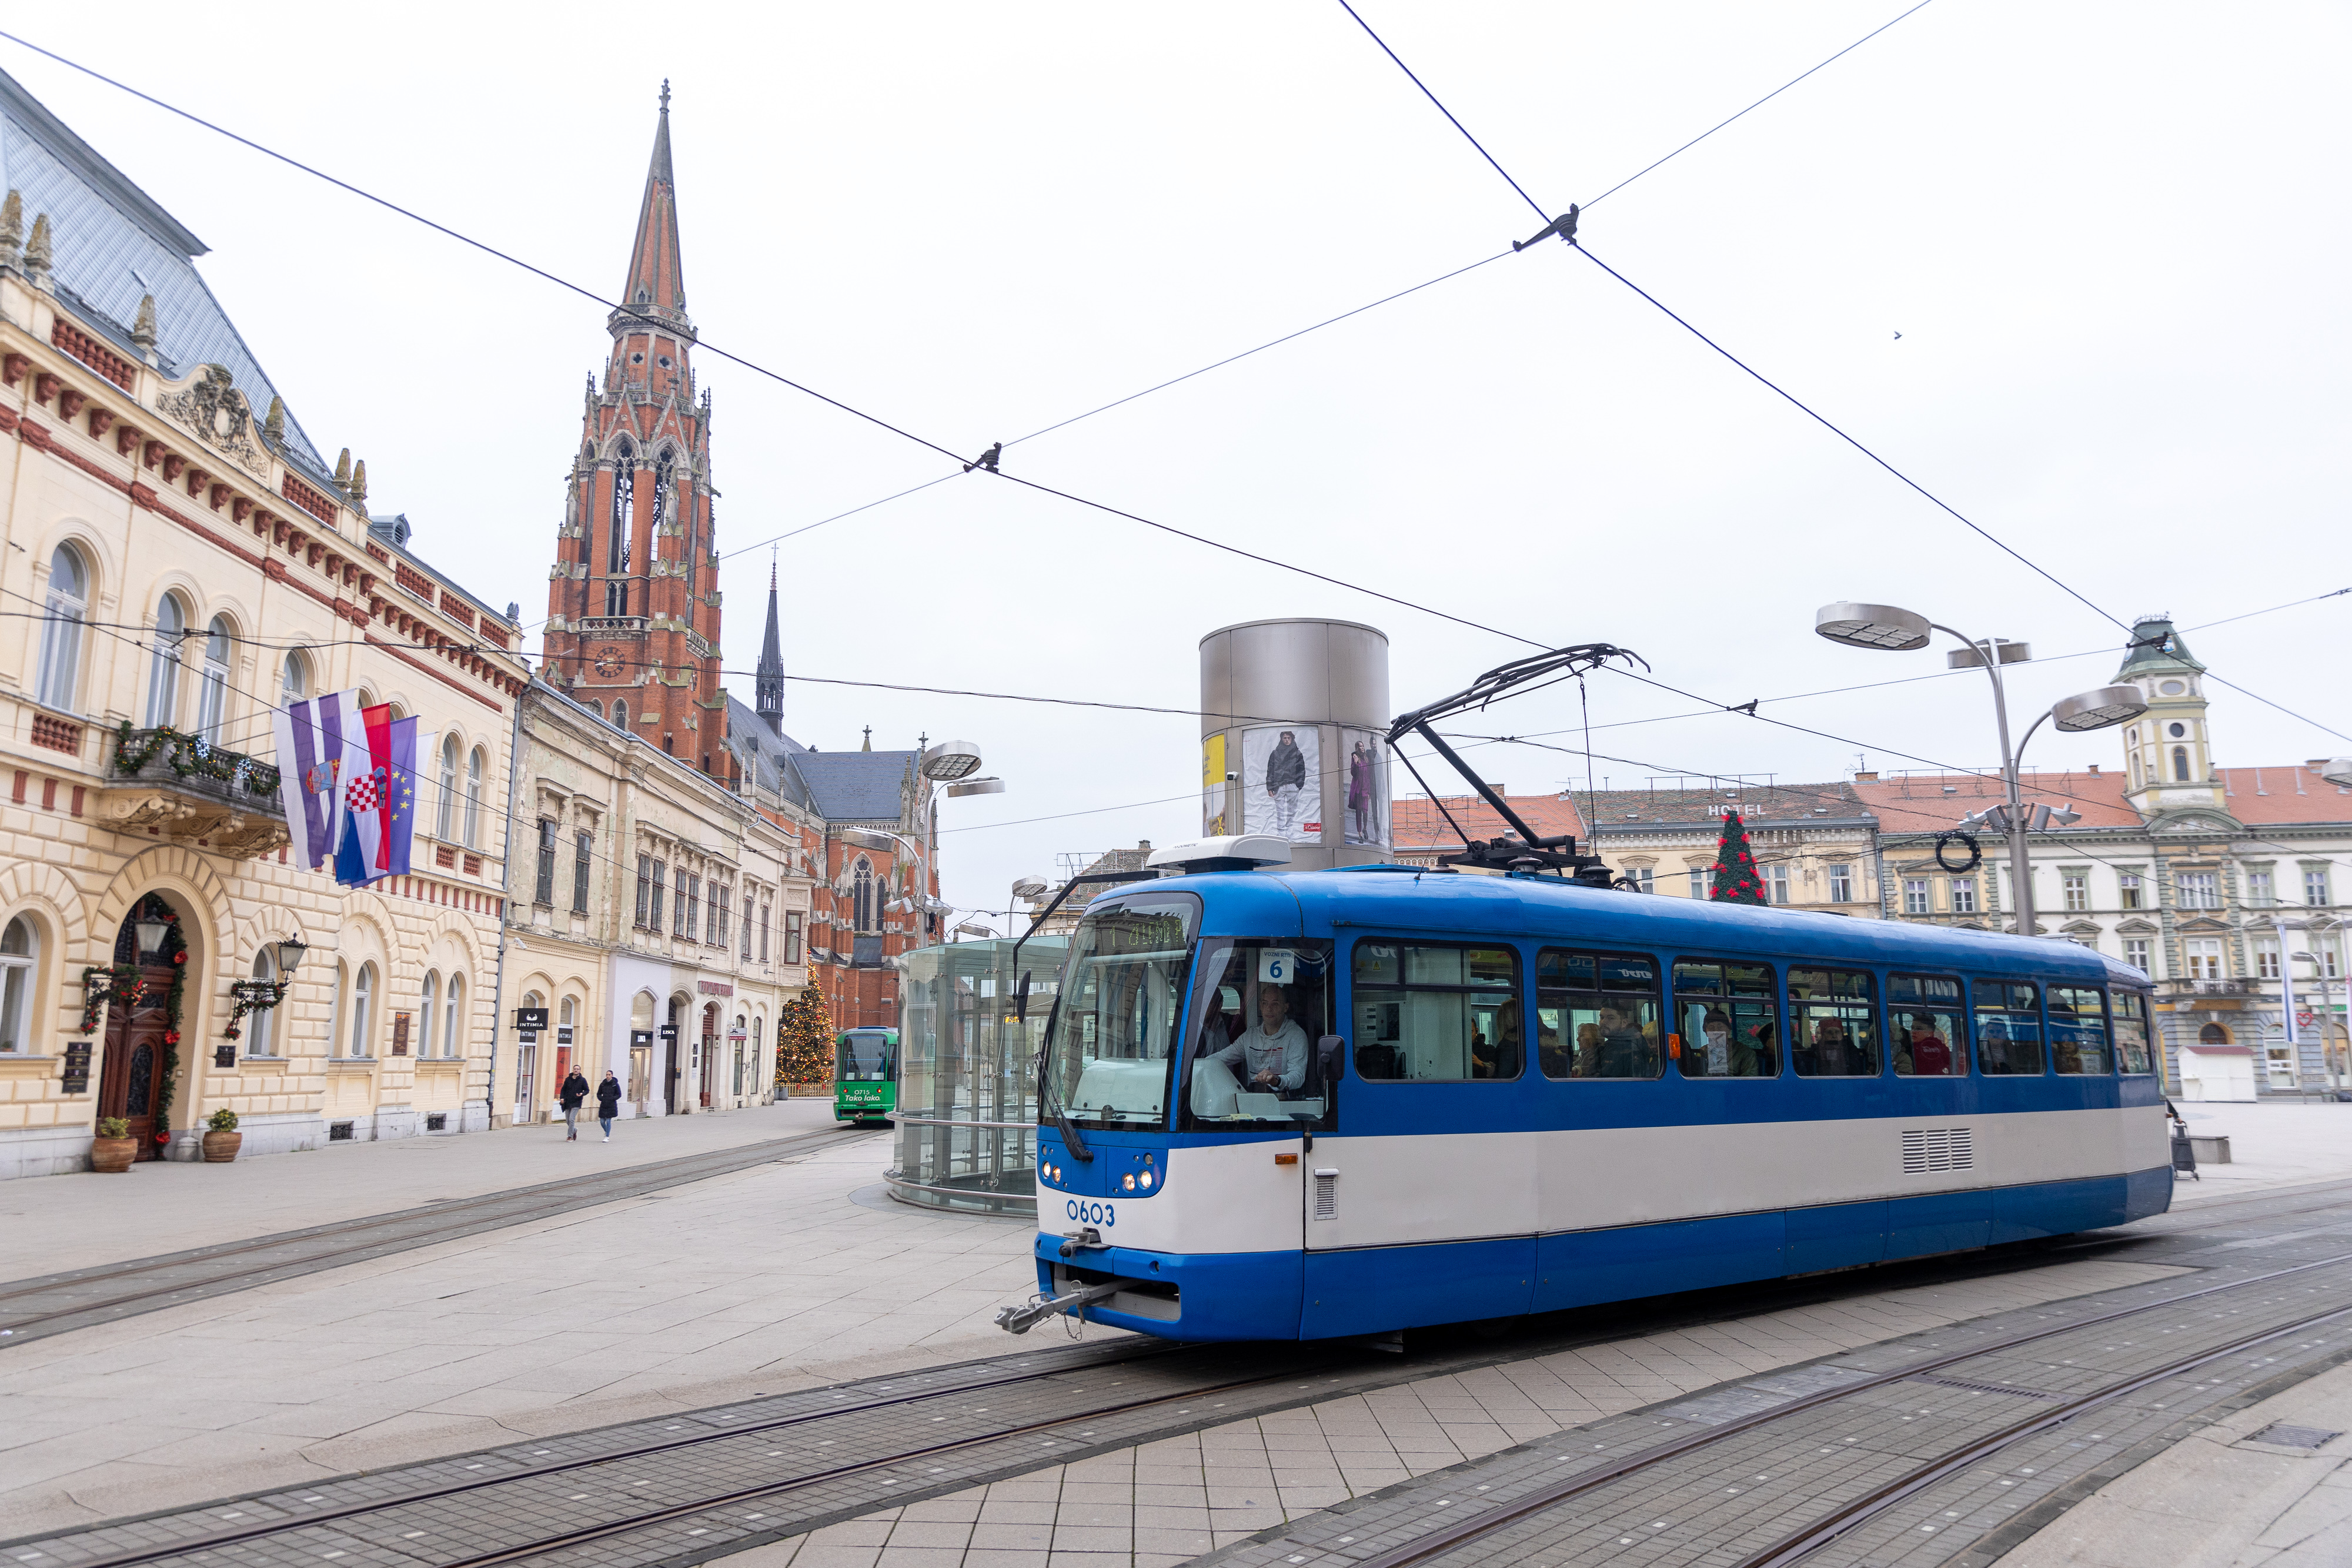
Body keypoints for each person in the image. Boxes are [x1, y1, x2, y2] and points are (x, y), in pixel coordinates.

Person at [1206, 982, 1308, 1095]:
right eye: (1265, 1003)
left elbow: (1298, 1076)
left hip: (1284, 1101)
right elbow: (1222, 1057)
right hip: (1255, 1100)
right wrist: (1199, 1064)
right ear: (1260, 1006)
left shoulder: (1296, 1035)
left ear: (1285, 1007)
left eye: (1275, 1004)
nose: (1269, 1009)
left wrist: (1276, 1080)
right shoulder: (1250, 1036)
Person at [1265, 731, 1308, 838]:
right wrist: (1270, 788)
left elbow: (1302, 770)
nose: (1287, 740)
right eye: (1285, 738)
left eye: (1289, 738)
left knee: (1292, 811)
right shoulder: (1275, 753)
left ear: (1292, 739)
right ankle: (1281, 834)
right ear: (1281, 739)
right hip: (1279, 786)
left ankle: (1289, 832)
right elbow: (1270, 770)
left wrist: (1298, 786)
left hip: (1293, 785)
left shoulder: (1297, 753)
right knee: (1280, 811)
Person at [559, 1064, 591, 1140]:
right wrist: (562, 1098)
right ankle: (574, 1130)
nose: (576, 1070)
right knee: (568, 1121)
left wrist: (582, 1094)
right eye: (575, 1069)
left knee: (571, 1119)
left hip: (577, 1102)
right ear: (573, 1070)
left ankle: (570, 1136)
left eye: (578, 1069)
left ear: (580, 1071)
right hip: (568, 1102)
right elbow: (563, 1090)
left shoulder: (582, 1080)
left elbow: (587, 1090)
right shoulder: (568, 1079)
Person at [595, 1069, 622, 1141]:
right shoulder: (603, 1084)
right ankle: (607, 1131)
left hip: (611, 1105)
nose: (608, 1076)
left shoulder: (615, 1084)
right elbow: (599, 1094)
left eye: (609, 1075)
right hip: (604, 1104)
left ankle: (607, 1137)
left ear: (612, 1076)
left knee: (608, 1121)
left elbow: (619, 1094)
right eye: (607, 1075)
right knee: (602, 1121)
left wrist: (612, 1098)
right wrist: (602, 1099)